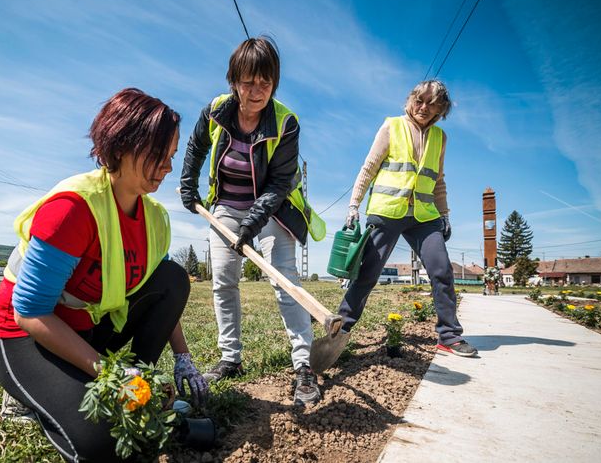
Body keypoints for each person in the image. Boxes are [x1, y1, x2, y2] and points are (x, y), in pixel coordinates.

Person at [0, 88, 209, 462]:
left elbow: (164, 291)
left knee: (173, 278)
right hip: (25, 335)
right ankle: (28, 391)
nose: (168, 168)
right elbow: (30, 311)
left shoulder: (154, 218)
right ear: (121, 146)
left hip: (85, 328)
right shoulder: (73, 208)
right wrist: (109, 374)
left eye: (170, 156)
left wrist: (182, 357)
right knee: (103, 446)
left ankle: (140, 387)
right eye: (158, 155)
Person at [179, 37, 326, 406]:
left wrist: (252, 226)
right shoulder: (216, 110)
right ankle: (231, 358)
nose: (257, 91)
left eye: (266, 82)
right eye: (248, 82)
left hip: (273, 209)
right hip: (225, 205)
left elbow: (278, 184)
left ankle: (303, 365)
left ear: (274, 82)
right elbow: (196, 147)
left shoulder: (286, 122)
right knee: (223, 283)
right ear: (233, 80)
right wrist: (187, 184)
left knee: (285, 281)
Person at [338, 80, 478, 358]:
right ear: (410, 100)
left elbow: (438, 181)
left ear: (441, 109)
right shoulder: (392, 125)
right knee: (367, 274)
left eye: (432, 103)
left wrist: (445, 214)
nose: (424, 107)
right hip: (387, 211)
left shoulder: (440, 137)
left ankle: (449, 336)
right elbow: (368, 167)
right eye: (419, 100)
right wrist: (354, 205)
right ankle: (340, 331)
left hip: (425, 216)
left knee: (442, 271)